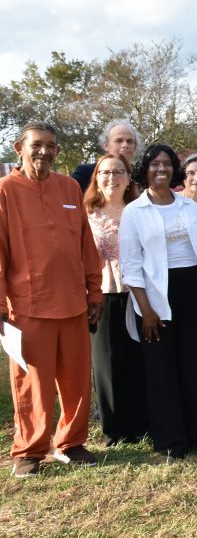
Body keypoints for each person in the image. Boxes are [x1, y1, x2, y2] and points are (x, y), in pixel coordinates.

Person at [1, 121, 103, 478]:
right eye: (37, 144)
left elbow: (85, 246)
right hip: (26, 307)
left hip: (74, 303)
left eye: (51, 146)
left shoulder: (69, 187)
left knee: (76, 380)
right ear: (19, 148)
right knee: (32, 384)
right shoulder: (5, 191)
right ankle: (29, 450)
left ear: (59, 151)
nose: (44, 151)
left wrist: (94, 291)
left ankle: (71, 443)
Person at [119, 143, 197, 459]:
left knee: (192, 367)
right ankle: (169, 441)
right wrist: (145, 310)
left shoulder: (188, 207)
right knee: (161, 371)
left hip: (191, 291)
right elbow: (131, 267)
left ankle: (192, 436)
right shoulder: (133, 212)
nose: (161, 169)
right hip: (154, 298)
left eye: (166, 164)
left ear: (174, 169)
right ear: (144, 169)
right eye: (154, 164)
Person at [84, 152, 147, 447]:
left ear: (128, 177)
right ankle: (114, 428)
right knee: (107, 363)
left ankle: (140, 423)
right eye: (106, 172)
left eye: (119, 172)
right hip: (102, 294)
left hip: (138, 293)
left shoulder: (140, 210)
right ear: (97, 178)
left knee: (137, 358)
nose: (112, 178)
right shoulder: (86, 214)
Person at [72, 119, 142, 193]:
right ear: (106, 145)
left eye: (129, 141)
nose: (125, 145)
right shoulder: (85, 173)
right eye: (119, 141)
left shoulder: (141, 176)